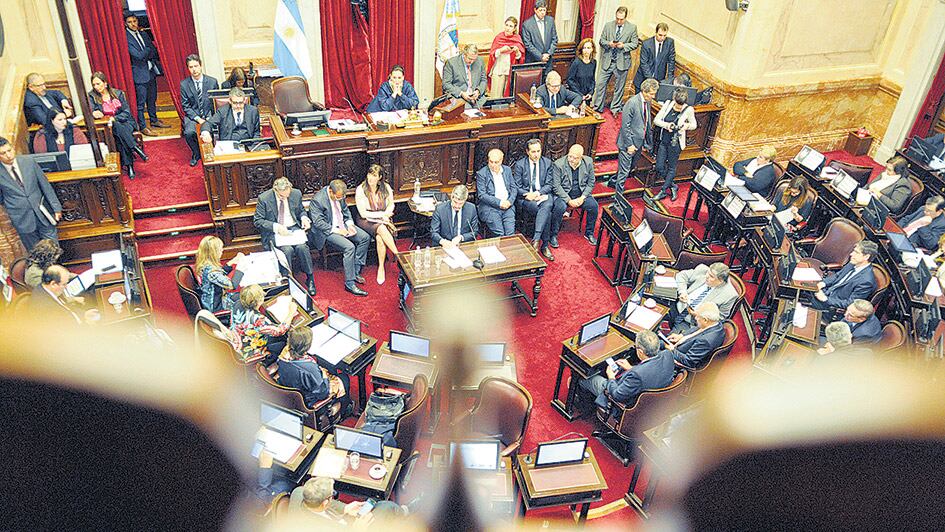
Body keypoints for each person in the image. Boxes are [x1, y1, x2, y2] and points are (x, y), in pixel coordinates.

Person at [581, 330, 675, 415]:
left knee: (586, 378)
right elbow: (649, 372)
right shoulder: (668, 354)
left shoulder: (637, 375)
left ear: (640, 351)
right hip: (658, 403)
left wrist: (611, 378)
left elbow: (617, 395)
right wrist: (631, 368)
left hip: (629, 407)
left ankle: (583, 404)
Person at [253, 177, 317, 296]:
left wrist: (304, 218)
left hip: (293, 228)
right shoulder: (264, 198)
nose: (285, 198)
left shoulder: (296, 193)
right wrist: (276, 226)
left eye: (287, 195)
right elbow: (258, 221)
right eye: (282, 196)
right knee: (286, 250)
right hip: (276, 231)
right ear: (275, 191)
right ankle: (287, 280)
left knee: (302, 247)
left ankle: (310, 277)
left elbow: (301, 211)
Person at [309, 179, 370, 297]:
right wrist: (338, 231)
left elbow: (345, 211)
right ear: (331, 191)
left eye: (341, 198)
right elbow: (319, 223)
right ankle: (349, 283)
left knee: (365, 238)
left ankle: (355, 270)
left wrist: (350, 224)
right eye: (337, 198)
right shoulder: (318, 200)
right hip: (328, 231)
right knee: (349, 247)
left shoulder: (340, 194)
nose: (339, 200)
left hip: (343, 225)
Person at [0, 136, 61, 250]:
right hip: (21, 218)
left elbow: (45, 185)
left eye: (9, 150)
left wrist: (56, 207)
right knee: (35, 253)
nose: (8, 155)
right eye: (3, 153)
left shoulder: (28, 161)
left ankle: (55, 268)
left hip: (42, 212)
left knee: (54, 249)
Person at [89, 71, 148, 179]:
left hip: (126, 122)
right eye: (94, 85)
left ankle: (130, 163)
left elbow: (126, 112)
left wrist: (114, 118)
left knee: (119, 130)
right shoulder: (92, 96)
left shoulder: (118, 93)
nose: (96, 87)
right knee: (119, 132)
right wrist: (94, 113)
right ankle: (134, 150)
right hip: (109, 126)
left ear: (105, 83)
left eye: (98, 84)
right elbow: (92, 110)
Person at [513, 139, 563, 260]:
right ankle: (544, 245)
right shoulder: (520, 165)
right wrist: (527, 194)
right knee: (547, 213)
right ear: (527, 152)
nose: (536, 154)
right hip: (528, 199)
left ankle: (536, 240)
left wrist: (539, 193)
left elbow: (549, 184)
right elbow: (516, 186)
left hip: (544, 195)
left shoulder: (547, 163)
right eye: (533, 151)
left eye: (538, 151)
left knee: (546, 206)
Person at [277, 327, 348, 410]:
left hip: (289, 387)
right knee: (344, 378)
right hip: (307, 400)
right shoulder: (310, 369)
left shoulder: (284, 354)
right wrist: (324, 376)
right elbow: (323, 392)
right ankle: (344, 410)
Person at [288, 476, 404, 524]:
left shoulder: (299, 492)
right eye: (332, 494)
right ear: (325, 502)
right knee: (386, 507)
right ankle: (404, 513)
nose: (333, 495)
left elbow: (323, 503)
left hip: (338, 518)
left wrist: (345, 508)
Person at [228, 284, 295, 365]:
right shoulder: (259, 320)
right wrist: (291, 312)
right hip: (247, 351)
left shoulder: (237, 304)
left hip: (235, 342)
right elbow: (281, 330)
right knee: (283, 341)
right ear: (258, 301)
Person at [355, 164, 398, 284]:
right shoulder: (361, 189)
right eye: (369, 174)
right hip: (366, 221)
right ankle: (399, 256)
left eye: (374, 176)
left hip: (383, 219)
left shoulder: (386, 187)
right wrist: (381, 216)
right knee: (382, 228)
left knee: (380, 238)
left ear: (379, 177)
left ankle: (381, 268)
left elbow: (391, 205)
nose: (371, 178)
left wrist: (386, 214)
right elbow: (363, 213)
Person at [810, 240, 878, 317]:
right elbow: (837, 276)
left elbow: (851, 303)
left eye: (856, 252)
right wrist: (823, 283)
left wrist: (825, 299)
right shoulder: (853, 263)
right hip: (825, 292)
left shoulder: (866, 281)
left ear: (866, 257)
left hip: (829, 306)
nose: (851, 254)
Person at [124, 12, 166, 135]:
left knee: (152, 99)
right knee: (141, 103)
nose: (133, 24)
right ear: (125, 24)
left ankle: (154, 120)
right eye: (130, 22)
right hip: (139, 74)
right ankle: (142, 126)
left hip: (150, 71)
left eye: (134, 21)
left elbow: (154, 51)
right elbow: (137, 55)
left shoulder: (143, 33)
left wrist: (146, 51)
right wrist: (147, 50)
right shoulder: (126, 37)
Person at [652, 87, 697, 201]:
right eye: (677, 105)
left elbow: (694, 125)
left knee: (672, 167)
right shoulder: (668, 104)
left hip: (676, 143)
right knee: (659, 166)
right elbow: (656, 120)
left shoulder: (689, 109)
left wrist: (686, 126)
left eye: (680, 106)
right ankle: (673, 186)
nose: (678, 108)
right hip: (664, 140)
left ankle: (663, 191)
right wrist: (667, 125)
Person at [613, 78, 658, 191]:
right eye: (651, 94)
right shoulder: (632, 103)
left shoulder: (647, 102)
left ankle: (612, 181)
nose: (653, 96)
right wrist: (629, 145)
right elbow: (625, 126)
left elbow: (646, 122)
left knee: (630, 167)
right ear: (644, 91)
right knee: (624, 171)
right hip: (628, 144)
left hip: (639, 143)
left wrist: (647, 142)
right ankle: (618, 197)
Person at [592, 7, 638, 114]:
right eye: (617, 18)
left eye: (621, 19)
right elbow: (601, 40)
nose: (618, 21)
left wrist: (624, 45)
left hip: (622, 62)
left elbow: (635, 43)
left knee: (619, 88)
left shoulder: (632, 28)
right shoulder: (608, 25)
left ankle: (615, 109)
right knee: (600, 84)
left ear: (625, 18)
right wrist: (609, 43)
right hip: (608, 61)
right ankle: (598, 107)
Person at [551, 144, 598, 245]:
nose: (571, 159)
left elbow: (591, 182)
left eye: (575, 158)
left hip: (581, 194)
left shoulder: (588, 162)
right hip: (564, 194)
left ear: (581, 157)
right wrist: (569, 201)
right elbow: (556, 186)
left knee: (594, 206)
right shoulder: (558, 164)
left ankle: (589, 233)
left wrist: (583, 197)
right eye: (570, 156)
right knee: (559, 208)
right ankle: (553, 235)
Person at [672, 262, 737, 330]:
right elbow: (682, 275)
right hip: (676, 305)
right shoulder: (703, 270)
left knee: (669, 339)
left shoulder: (730, 295)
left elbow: (720, 318)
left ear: (721, 281)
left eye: (711, 276)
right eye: (708, 273)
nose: (706, 276)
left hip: (690, 322)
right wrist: (682, 291)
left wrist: (699, 315)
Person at [180, 54, 220, 167]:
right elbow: (186, 106)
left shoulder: (212, 82)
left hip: (210, 115)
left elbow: (216, 102)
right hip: (194, 116)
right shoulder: (184, 84)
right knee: (189, 133)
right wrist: (198, 119)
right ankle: (196, 153)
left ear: (201, 66)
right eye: (191, 67)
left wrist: (210, 118)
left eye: (196, 66)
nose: (194, 70)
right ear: (188, 68)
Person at [664, 301, 726, 368]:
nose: (695, 318)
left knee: (652, 350)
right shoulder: (715, 323)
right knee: (658, 341)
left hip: (677, 357)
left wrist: (672, 350)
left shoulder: (706, 341)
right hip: (679, 344)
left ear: (705, 320)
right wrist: (681, 336)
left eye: (697, 316)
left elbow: (689, 361)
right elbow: (698, 328)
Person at [194, 235, 243, 313]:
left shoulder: (206, 265)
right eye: (220, 249)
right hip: (217, 306)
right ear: (214, 252)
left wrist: (233, 261)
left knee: (244, 295)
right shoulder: (211, 272)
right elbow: (232, 286)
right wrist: (242, 267)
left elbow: (219, 274)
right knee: (248, 298)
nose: (222, 251)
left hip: (213, 300)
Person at [476, 149, 518, 237]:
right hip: (490, 208)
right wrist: (499, 203)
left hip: (507, 207)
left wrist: (509, 201)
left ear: (501, 161)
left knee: (510, 234)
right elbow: (482, 195)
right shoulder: (482, 173)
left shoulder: (507, 170)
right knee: (500, 234)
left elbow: (514, 188)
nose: (493, 165)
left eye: (496, 162)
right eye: (491, 162)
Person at [487, 17, 525, 98]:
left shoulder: (517, 39)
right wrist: (501, 50)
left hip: (510, 71)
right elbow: (492, 54)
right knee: (496, 96)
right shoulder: (499, 37)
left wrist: (517, 51)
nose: (507, 28)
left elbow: (520, 58)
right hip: (498, 69)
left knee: (507, 97)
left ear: (514, 28)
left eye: (510, 26)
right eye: (506, 25)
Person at [633, 22, 676, 93]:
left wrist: (669, 80)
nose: (662, 38)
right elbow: (644, 63)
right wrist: (651, 81)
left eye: (664, 36)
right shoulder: (647, 44)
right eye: (660, 35)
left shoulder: (670, 43)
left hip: (658, 80)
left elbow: (671, 61)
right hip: (643, 79)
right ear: (656, 32)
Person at [442, 44, 488, 109]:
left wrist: (478, 91)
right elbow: (446, 84)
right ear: (464, 54)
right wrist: (461, 93)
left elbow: (483, 80)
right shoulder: (451, 63)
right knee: (466, 112)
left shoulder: (480, 61)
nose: (472, 61)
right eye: (470, 59)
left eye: (474, 59)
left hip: (477, 98)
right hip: (459, 97)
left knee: (490, 112)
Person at [520, 0, 558, 75]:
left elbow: (555, 39)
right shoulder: (527, 24)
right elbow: (528, 44)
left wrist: (548, 54)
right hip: (534, 61)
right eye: (540, 10)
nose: (543, 12)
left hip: (548, 61)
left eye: (544, 10)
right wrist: (540, 56)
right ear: (535, 10)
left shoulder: (550, 21)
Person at [566, 38, 597, 106]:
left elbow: (592, 80)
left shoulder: (594, 62)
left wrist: (590, 93)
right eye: (584, 48)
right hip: (576, 95)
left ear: (592, 49)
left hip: (587, 96)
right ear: (581, 49)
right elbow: (570, 80)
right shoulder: (576, 62)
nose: (586, 50)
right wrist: (580, 95)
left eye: (588, 48)